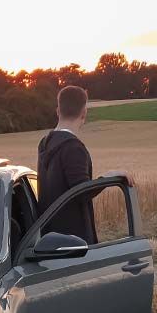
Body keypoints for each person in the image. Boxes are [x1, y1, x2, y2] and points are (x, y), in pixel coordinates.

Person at [36, 85, 130, 243]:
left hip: (48, 239)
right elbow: (82, 192)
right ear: (84, 113)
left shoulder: (45, 143)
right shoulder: (73, 148)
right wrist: (108, 177)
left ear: (58, 111)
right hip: (73, 243)